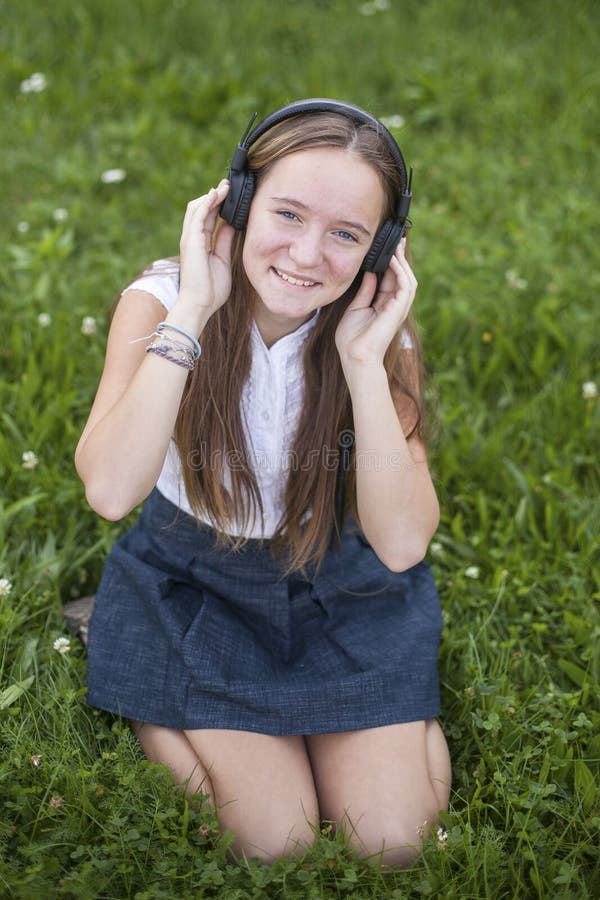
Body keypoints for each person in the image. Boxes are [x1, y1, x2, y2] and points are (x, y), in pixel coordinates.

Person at [75, 98, 451, 867]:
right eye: (287, 213)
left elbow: (404, 542)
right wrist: (195, 308)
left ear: (381, 248)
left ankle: (370, 717)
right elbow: (111, 491)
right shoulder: (161, 303)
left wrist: (362, 363)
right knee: (275, 843)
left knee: (393, 846)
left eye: (346, 234)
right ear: (237, 202)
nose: (308, 255)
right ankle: (130, 645)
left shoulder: (375, 329)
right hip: (197, 578)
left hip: (337, 582)